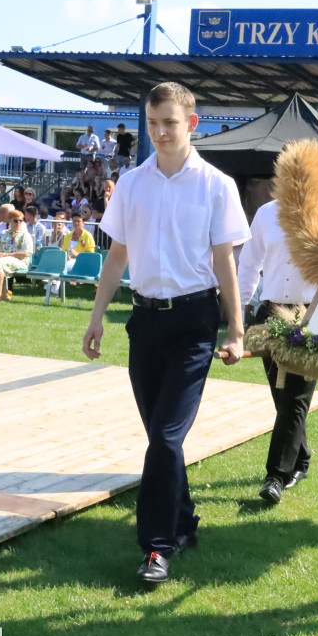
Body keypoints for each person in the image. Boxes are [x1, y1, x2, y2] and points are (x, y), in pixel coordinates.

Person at [82, 82, 250, 586]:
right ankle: (182, 521)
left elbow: (226, 263)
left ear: (191, 124)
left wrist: (236, 329)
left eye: (169, 123)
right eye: (153, 123)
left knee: (165, 437)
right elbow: (117, 255)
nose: (159, 132)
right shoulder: (133, 183)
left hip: (194, 323)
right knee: (162, 437)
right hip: (144, 322)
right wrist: (95, 316)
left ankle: (156, 546)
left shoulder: (217, 185)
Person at [237, 195, 318, 504]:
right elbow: (249, 263)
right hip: (272, 313)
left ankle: (276, 475)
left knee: (296, 396)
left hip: (313, 314)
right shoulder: (266, 213)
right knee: (280, 395)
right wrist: (237, 311)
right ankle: (301, 459)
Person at [0, 210, 33, 303]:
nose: (19, 222)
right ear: (10, 221)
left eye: (21, 220)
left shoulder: (25, 235)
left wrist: (7, 255)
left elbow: (26, 253)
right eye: (16, 220)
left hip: (19, 260)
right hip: (2, 258)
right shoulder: (3, 233)